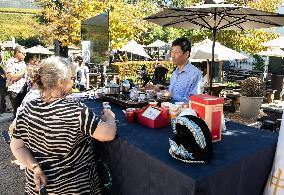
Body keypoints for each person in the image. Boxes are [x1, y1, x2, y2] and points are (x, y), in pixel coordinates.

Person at [10, 56, 116, 194]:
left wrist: (35, 167)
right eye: (72, 78)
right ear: (60, 82)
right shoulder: (76, 111)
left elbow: (16, 147)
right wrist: (110, 118)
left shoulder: (27, 109)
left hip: (39, 188)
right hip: (73, 188)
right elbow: (108, 134)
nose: (74, 81)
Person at [168, 37, 204, 102]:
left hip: (185, 111)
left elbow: (195, 101)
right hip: (171, 110)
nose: (173, 55)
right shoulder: (174, 73)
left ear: (186, 54)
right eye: (172, 52)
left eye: (176, 52)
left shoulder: (195, 74)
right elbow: (170, 92)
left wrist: (172, 95)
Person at [5, 46, 27, 117]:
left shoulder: (23, 62)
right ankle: (16, 127)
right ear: (18, 52)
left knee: (23, 110)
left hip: (23, 89)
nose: (25, 55)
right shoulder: (10, 62)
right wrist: (25, 70)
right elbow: (13, 77)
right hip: (14, 91)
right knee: (17, 111)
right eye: (24, 53)